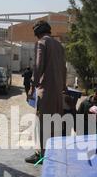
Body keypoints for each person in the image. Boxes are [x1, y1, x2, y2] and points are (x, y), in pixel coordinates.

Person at [25, 20, 67, 164]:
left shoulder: (42, 43)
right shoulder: (59, 46)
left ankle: (42, 155)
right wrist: (64, 86)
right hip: (57, 93)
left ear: (37, 32)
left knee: (43, 124)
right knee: (55, 124)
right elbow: (64, 68)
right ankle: (53, 152)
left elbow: (38, 66)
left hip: (46, 91)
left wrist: (32, 87)